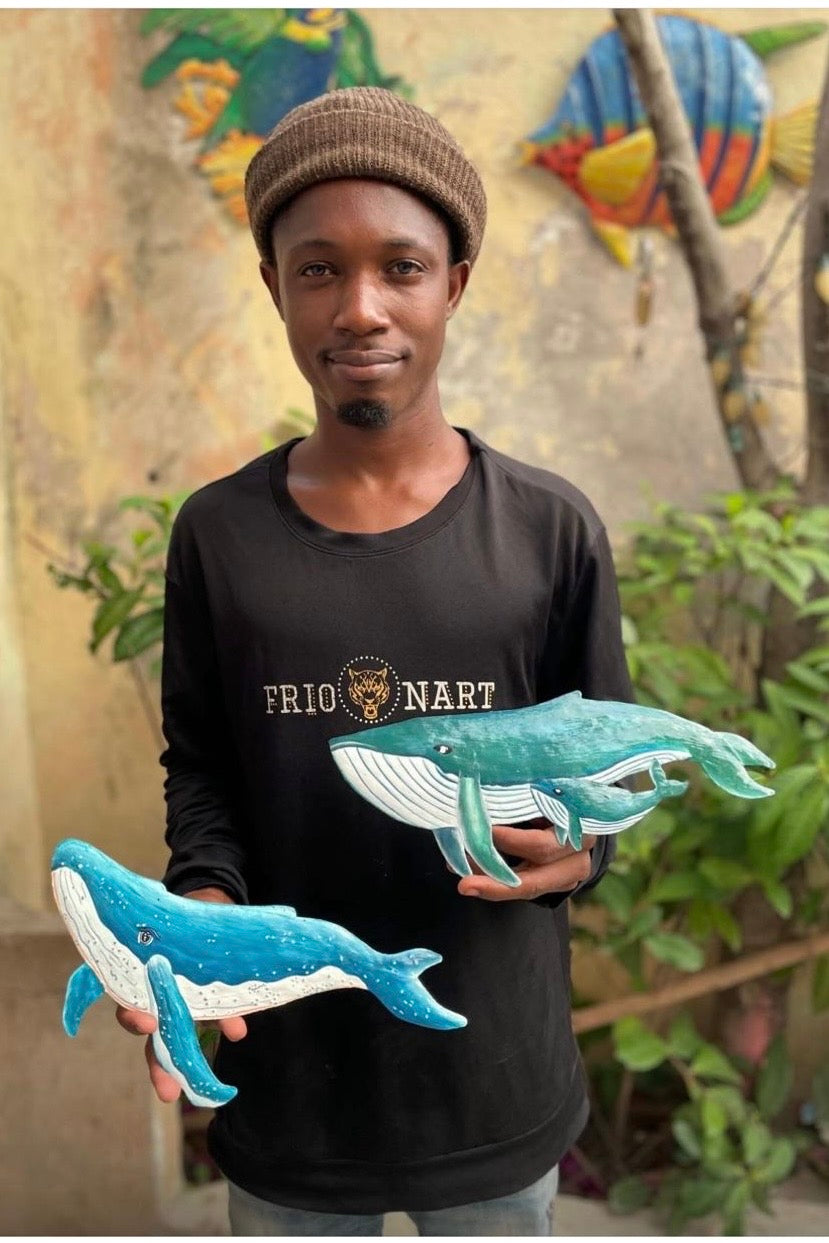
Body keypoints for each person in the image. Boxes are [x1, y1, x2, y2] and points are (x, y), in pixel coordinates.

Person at [117, 87, 633, 1236]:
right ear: (274, 286)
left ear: (454, 282)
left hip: (492, 1084)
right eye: (319, 270)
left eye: (401, 267)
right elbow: (204, 772)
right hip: (290, 1095)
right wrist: (198, 913)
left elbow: (603, 771)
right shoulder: (219, 535)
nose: (361, 308)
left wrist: (579, 849)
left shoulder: (547, 532)